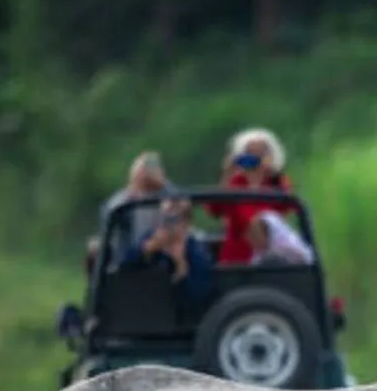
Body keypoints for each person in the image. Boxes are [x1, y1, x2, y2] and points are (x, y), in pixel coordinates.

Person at [205, 128, 297, 265]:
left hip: (269, 253)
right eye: (249, 153)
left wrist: (269, 171)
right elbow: (214, 210)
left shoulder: (276, 182)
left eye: (260, 154)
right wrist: (227, 174)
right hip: (237, 253)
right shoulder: (235, 182)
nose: (254, 158)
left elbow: (287, 207)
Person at [120, 197, 213, 302]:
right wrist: (144, 251)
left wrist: (181, 266)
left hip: (180, 306)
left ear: (186, 223)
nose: (166, 226)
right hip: (146, 301)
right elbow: (123, 268)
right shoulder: (151, 238)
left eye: (173, 220)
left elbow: (200, 296)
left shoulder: (196, 249)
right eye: (163, 219)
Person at [101, 151, 178, 262]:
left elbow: (180, 203)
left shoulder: (167, 197)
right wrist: (146, 248)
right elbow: (117, 252)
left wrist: (161, 184)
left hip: (167, 256)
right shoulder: (122, 206)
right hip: (131, 260)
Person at [247, 210, 315, 265]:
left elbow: (307, 260)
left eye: (254, 234)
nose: (249, 239)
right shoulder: (258, 256)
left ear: (268, 233)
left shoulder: (293, 249)